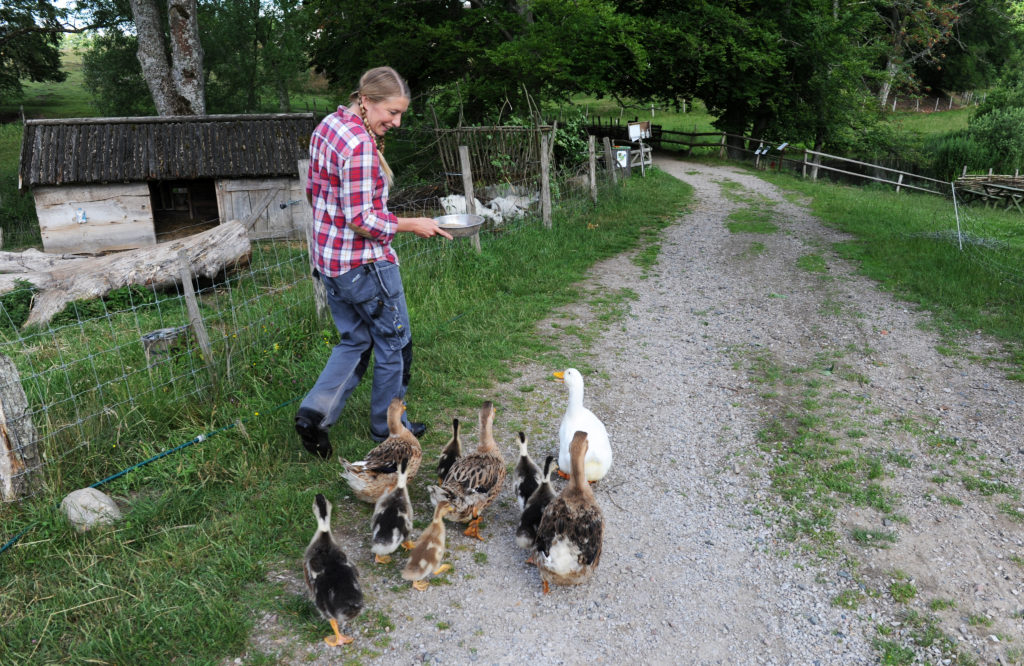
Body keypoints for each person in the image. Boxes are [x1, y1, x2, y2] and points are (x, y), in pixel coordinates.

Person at [295, 66, 453, 458]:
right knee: (393, 343)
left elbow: (317, 195)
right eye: (391, 112)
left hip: (331, 262)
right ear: (365, 100)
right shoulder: (361, 147)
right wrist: (411, 223)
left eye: (401, 114)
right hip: (365, 265)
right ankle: (388, 429)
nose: (396, 122)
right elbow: (362, 220)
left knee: (356, 340)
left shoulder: (329, 127)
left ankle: (313, 415)